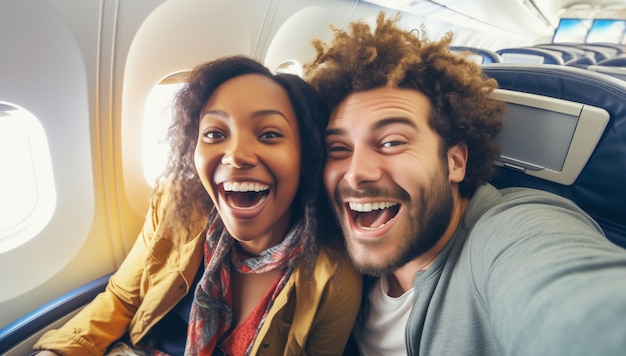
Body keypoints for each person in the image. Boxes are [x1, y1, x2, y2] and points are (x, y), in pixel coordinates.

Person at [304, 11, 626, 356]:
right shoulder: (330, 243)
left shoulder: (508, 231)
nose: (356, 173)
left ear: (454, 162)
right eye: (339, 148)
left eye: (392, 142)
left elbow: (578, 306)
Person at [33, 55, 361, 356]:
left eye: (269, 134)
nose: (236, 155)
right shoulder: (175, 209)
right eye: (216, 133)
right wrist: (57, 352)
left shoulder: (333, 280)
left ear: (307, 155)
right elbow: (121, 299)